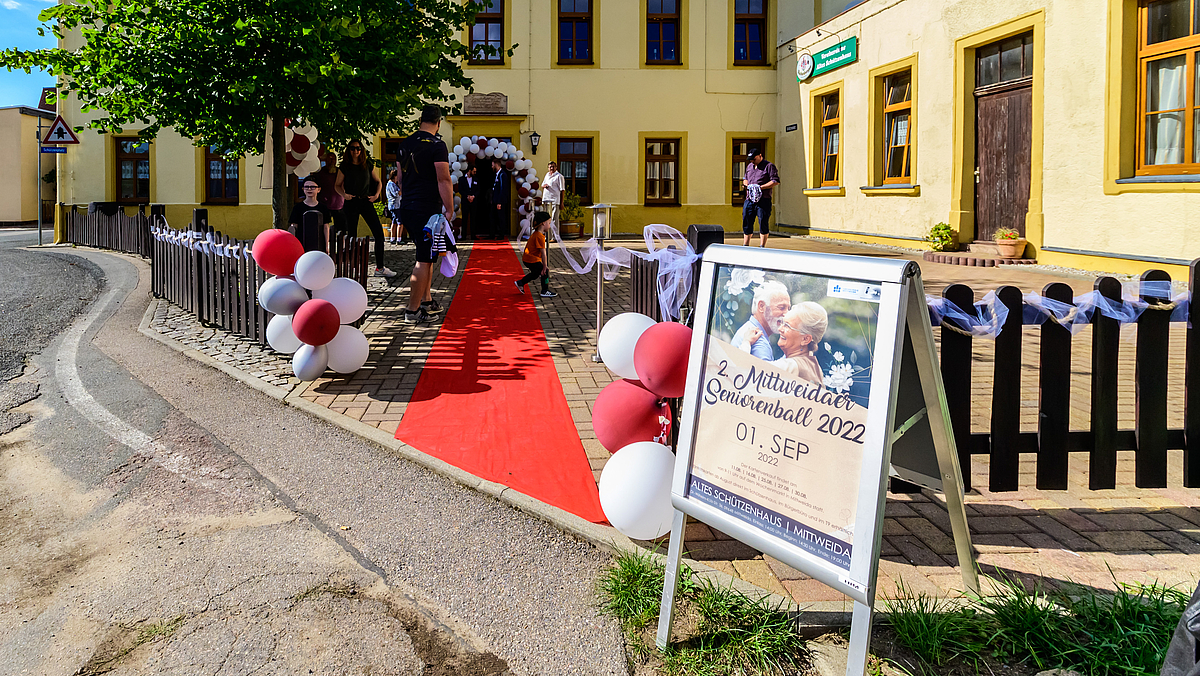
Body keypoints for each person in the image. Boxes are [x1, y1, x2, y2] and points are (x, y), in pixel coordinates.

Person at [396, 104, 455, 324]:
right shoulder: (437, 146)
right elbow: (443, 179)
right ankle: (412, 311)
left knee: (428, 256)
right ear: (438, 122)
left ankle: (426, 300)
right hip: (426, 208)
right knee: (423, 259)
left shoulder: (404, 143)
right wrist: (449, 209)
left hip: (408, 206)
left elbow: (400, 179)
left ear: (420, 120)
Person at [336, 141, 395, 278]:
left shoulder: (367, 164)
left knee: (379, 234)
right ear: (349, 150)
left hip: (366, 201)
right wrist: (344, 195)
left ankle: (380, 268)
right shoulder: (345, 166)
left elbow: (379, 181)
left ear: (362, 150)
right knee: (352, 235)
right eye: (353, 148)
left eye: (358, 148)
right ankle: (352, 268)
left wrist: (376, 195)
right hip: (351, 202)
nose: (356, 151)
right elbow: (337, 185)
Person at [740, 302, 828, 387]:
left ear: (805, 339)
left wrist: (746, 342)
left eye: (787, 326)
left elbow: (746, 374)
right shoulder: (813, 365)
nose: (780, 329)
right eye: (782, 322)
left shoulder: (792, 366)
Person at [731, 280, 791, 361]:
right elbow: (769, 373)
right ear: (761, 306)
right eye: (781, 308)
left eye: (789, 308)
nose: (787, 314)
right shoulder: (758, 340)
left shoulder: (750, 331)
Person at [741, 148, 780, 248]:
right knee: (747, 220)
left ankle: (762, 245)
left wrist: (760, 187)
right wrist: (746, 185)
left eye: (754, 159)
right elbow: (745, 178)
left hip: (763, 199)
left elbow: (775, 181)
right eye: (750, 159)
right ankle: (746, 244)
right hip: (749, 199)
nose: (752, 161)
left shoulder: (769, 166)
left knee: (763, 221)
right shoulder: (750, 166)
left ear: (760, 156)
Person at [514, 211, 556, 298]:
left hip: (528, 258)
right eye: (549, 223)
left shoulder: (536, 234)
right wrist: (545, 266)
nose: (549, 225)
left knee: (536, 273)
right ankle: (545, 290)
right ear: (543, 223)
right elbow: (543, 253)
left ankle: (521, 283)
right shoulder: (539, 236)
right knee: (544, 272)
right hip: (531, 259)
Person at [312, 148, 346, 251]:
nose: (331, 161)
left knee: (342, 229)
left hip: (339, 204)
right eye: (329, 159)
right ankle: (323, 247)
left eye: (333, 159)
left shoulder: (340, 172)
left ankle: (342, 249)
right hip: (324, 204)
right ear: (325, 160)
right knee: (323, 228)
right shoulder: (320, 174)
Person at [288, 176, 332, 250]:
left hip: (318, 243)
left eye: (312, 187)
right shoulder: (298, 208)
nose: (309, 189)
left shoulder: (323, 208)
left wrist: (327, 245)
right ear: (303, 189)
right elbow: (294, 226)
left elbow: (326, 227)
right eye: (306, 187)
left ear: (319, 189)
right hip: (302, 242)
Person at [456, 164, 482, 240]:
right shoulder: (461, 179)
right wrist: (467, 196)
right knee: (464, 218)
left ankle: (473, 235)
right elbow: (460, 190)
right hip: (465, 201)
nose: (475, 173)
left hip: (473, 201)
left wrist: (473, 196)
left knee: (473, 218)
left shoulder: (476, 179)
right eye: (474, 171)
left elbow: (478, 190)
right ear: (469, 170)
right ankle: (464, 236)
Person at [540, 161, 565, 234]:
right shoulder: (547, 175)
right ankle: (548, 236)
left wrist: (561, 202)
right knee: (546, 219)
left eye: (553, 166)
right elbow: (542, 184)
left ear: (556, 167)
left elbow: (562, 190)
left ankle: (555, 236)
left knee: (554, 219)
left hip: (555, 200)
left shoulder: (559, 176)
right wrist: (544, 186)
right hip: (546, 200)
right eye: (550, 167)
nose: (551, 168)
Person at [488, 156, 509, 240]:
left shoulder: (502, 175)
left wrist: (500, 202)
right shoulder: (497, 175)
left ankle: (501, 234)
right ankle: (492, 234)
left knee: (500, 218)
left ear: (497, 165)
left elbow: (502, 189)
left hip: (499, 201)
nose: (492, 167)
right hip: (495, 201)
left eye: (493, 165)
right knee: (492, 217)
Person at [385, 168, 406, 244]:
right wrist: (401, 189)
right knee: (400, 222)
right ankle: (398, 239)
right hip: (396, 205)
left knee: (394, 222)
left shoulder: (390, 184)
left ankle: (392, 238)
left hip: (393, 205)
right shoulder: (392, 184)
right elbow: (397, 193)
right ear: (394, 176)